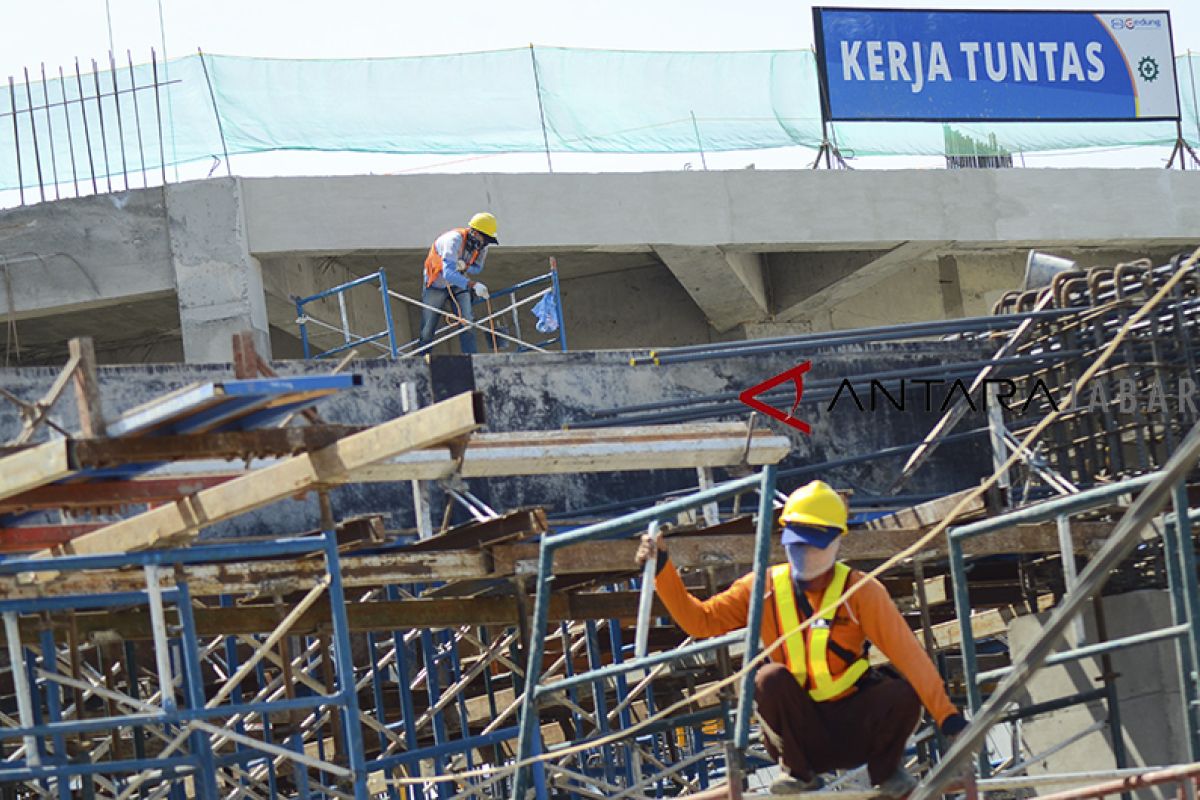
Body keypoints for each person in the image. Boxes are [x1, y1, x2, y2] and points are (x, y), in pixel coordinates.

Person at [636, 480, 967, 797]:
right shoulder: (763, 588)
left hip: (856, 728)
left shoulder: (860, 592)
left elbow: (909, 656)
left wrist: (948, 718)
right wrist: (663, 569)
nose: (805, 553)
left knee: (903, 690)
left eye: (813, 543)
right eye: (799, 543)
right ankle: (797, 775)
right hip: (800, 736)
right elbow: (701, 621)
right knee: (768, 678)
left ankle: (886, 774)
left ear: (837, 541)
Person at [419, 213, 499, 354]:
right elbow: (448, 273)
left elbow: (478, 268)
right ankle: (423, 359)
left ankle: (470, 357)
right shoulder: (453, 240)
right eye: (484, 238)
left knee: (467, 322)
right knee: (428, 328)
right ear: (474, 232)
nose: (485, 243)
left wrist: (465, 267)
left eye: (488, 240)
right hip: (436, 285)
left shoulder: (481, 247)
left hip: (458, 285)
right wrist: (473, 285)